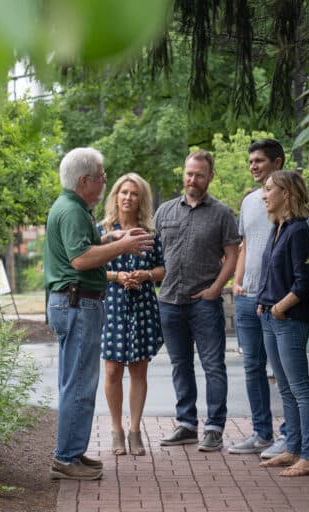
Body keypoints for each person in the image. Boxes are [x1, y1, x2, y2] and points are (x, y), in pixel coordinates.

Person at [44, 148, 154, 480]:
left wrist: (111, 236)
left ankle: (72, 452)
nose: (105, 181)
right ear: (84, 180)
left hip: (73, 303)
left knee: (76, 382)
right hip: (77, 303)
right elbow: (80, 259)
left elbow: (81, 247)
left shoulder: (73, 207)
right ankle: (66, 458)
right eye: (102, 176)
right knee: (79, 384)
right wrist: (123, 246)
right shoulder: (72, 210)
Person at [154, 149, 240, 452]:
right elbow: (153, 251)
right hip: (169, 301)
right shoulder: (164, 212)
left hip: (204, 301)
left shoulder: (222, 213)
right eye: (189, 174)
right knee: (180, 365)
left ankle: (214, 428)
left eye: (199, 175)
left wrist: (216, 288)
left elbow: (233, 255)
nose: (192, 179)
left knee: (213, 366)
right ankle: (187, 424)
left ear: (210, 177)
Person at [256, 170, 309, 477]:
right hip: (270, 316)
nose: (264, 194)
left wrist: (280, 306)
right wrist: (263, 301)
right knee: (284, 388)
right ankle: (293, 449)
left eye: (270, 189)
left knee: (300, 389)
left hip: (290, 318)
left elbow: (304, 282)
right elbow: (272, 273)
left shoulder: (299, 231)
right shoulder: (277, 228)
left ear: (287, 193)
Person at [229, 139, 289, 459]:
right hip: (247, 297)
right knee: (253, 367)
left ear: (277, 162)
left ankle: (288, 435)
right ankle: (261, 433)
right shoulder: (250, 201)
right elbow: (246, 245)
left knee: (283, 370)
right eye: (251, 160)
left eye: (260, 160)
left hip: (276, 299)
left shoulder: (289, 200)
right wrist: (236, 282)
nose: (253, 165)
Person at [98, 173, 165, 456]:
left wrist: (145, 275)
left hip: (141, 304)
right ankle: (117, 430)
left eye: (134, 193)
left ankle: (135, 430)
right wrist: (116, 276)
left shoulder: (149, 233)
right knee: (112, 370)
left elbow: (162, 269)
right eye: (123, 192)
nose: (127, 197)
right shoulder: (102, 231)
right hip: (112, 304)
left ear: (141, 199)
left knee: (139, 369)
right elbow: (90, 267)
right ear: (115, 196)